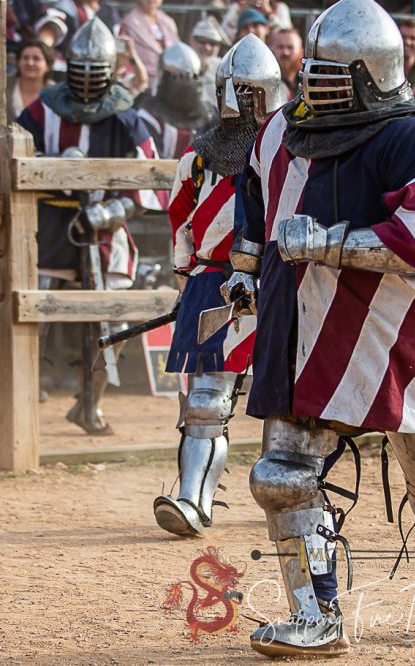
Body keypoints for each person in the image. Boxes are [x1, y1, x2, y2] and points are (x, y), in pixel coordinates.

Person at [227, 0, 415, 656]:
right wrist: (242, 269)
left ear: (371, 72)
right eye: (311, 71)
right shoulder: (278, 134)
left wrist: (328, 243)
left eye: (332, 73)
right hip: (310, 329)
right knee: (282, 474)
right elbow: (257, 206)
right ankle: (315, 617)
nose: (313, 85)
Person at [154, 35, 283, 537]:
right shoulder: (199, 156)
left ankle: (294, 496)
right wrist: (187, 279)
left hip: (276, 281)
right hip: (211, 281)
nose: (241, 102)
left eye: (250, 92)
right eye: (235, 90)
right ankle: (192, 501)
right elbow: (180, 219)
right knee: (205, 402)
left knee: (284, 399)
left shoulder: (287, 152)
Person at [16, 18, 161, 434]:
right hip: (47, 226)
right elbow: (14, 155)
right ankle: (21, 403)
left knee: (113, 323)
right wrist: (52, 170)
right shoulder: (41, 110)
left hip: (103, 228)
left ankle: (89, 404)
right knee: (34, 316)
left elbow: (147, 181)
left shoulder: (126, 118)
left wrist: (106, 212)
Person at [136, 41, 213, 160]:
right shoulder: (149, 116)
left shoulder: (209, 115)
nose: (187, 83)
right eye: (179, 77)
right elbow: (152, 165)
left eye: (191, 77)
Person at [119, 0, 178, 93]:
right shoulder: (128, 21)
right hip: (141, 83)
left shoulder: (169, 22)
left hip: (169, 82)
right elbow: (121, 54)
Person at [219, 0, 289, 42]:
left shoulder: (279, 7)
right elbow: (223, 36)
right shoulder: (237, 7)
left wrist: (268, 13)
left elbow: (286, 38)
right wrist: (238, 13)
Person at [7, 39, 54, 119]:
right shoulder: (3, 85)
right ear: (18, 62)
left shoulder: (56, 93)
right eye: (25, 58)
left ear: (48, 66)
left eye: (36, 58)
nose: (30, 63)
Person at [189, 16, 227, 103]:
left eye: (213, 43)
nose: (207, 47)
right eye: (202, 41)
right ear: (192, 40)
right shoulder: (181, 63)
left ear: (219, 46)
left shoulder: (224, 68)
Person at [268, 26, 301, 100]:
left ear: (300, 51)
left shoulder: (307, 84)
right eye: (280, 47)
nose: (285, 52)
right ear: (272, 50)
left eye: (290, 47)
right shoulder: (264, 84)